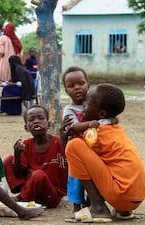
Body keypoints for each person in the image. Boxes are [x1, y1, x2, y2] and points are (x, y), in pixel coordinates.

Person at [65, 84, 145, 223]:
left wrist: (66, 135)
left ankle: (98, 208)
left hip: (120, 195)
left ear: (102, 114)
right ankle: (123, 211)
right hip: (136, 196)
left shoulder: (95, 134)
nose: (83, 104)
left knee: (73, 146)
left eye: (88, 103)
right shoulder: (115, 128)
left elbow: (81, 162)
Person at [2, 105, 69, 208]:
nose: (36, 121)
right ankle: (27, 193)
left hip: (52, 194)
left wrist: (65, 137)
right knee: (9, 160)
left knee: (38, 175)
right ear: (26, 127)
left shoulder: (59, 142)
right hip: (31, 186)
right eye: (31, 119)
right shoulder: (26, 144)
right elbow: (18, 173)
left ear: (49, 124)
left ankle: (21, 198)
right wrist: (17, 154)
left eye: (41, 118)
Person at [60, 66, 91, 220]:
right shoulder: (69, 109)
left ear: (88, 85)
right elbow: (74, 126)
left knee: (94, 177)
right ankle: (76, 207)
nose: (77, 88)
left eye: (81, 83)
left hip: (94, 149)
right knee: (76, 178)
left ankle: (91, 204)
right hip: (76, 151)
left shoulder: (94, 104)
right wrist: (90, 123)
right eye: (71, 86)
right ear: (66, 91)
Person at [0, 23, 23, 112]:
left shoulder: (3, 38)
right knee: (11, 83)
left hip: (4, 64)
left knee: (1, 83)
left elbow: (1, 52)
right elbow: (20, 52)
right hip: (14, 65)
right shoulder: (15, 39)